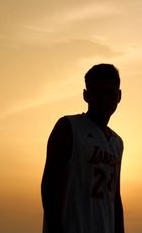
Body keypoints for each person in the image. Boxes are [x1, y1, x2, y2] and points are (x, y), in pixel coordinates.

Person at [41, 64, 125, 233]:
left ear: (119, 95)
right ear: (86, 95)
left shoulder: (117, 142)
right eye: (97, 93)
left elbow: (114, 197)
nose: (104, 99)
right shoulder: (69, 127)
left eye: (110, 92)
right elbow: (49, 185)